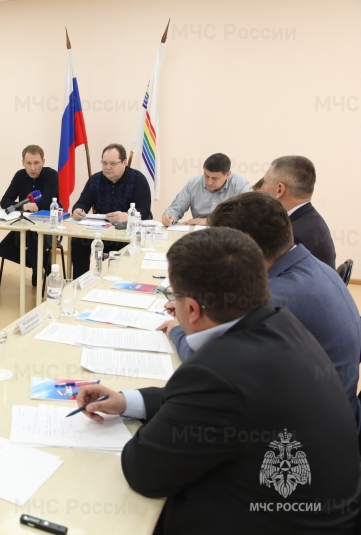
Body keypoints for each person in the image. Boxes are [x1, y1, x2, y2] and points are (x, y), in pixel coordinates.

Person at [76, 227, 361, 534]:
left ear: (192, 309)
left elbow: (143, 470)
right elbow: (216, 406)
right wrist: (129, 402)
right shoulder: (280, 322)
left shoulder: (218, 370)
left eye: (173, 295)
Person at [159, 191, 361, 428]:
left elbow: (206, 361)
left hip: (308, 432)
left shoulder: (275, 298)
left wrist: (177, 328)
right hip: (331, 411)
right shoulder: (309, 265)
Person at [70, 143, 151, 278]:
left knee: (127, 254)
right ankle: (82, 282)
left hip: (126, 235)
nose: (107, 167)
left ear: (124, 162)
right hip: (101, 234)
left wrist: (127, 216)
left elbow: (145, 210)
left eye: (113, 163)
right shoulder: (95, 179)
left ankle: (121, 283)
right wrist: (78, 210)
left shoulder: (138, 179)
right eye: (104, 163)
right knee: (77, 241)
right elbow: (82, 202)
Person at [0, 145, 59, 286]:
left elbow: (46, 203)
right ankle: (43, 262)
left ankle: (38, 267)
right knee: (3, 249)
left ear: (43, 161)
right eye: (28, 163)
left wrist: (34, 206)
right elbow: (5, 201)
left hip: (46, 227)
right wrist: (23, 206)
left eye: (36, 163)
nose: (32, 168)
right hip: (24, 225)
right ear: (23, 162)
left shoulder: (51, 175)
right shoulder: (19, 175)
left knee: (34, 251)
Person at [261, 155, 336, 268]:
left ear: (280, 190)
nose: (262, 189)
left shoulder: (292, 236)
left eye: (265, 183)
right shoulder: (311, 220)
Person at [160, 153, 250, 226]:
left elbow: (246, 217)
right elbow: (177, 207)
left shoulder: (241, 186)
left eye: (214, 178)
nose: (209, 182)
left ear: (228, 175)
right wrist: (169, 217)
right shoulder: (193, 184)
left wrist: (208, 221)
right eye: (206, 176)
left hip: (229, 234)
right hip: (200, 234)